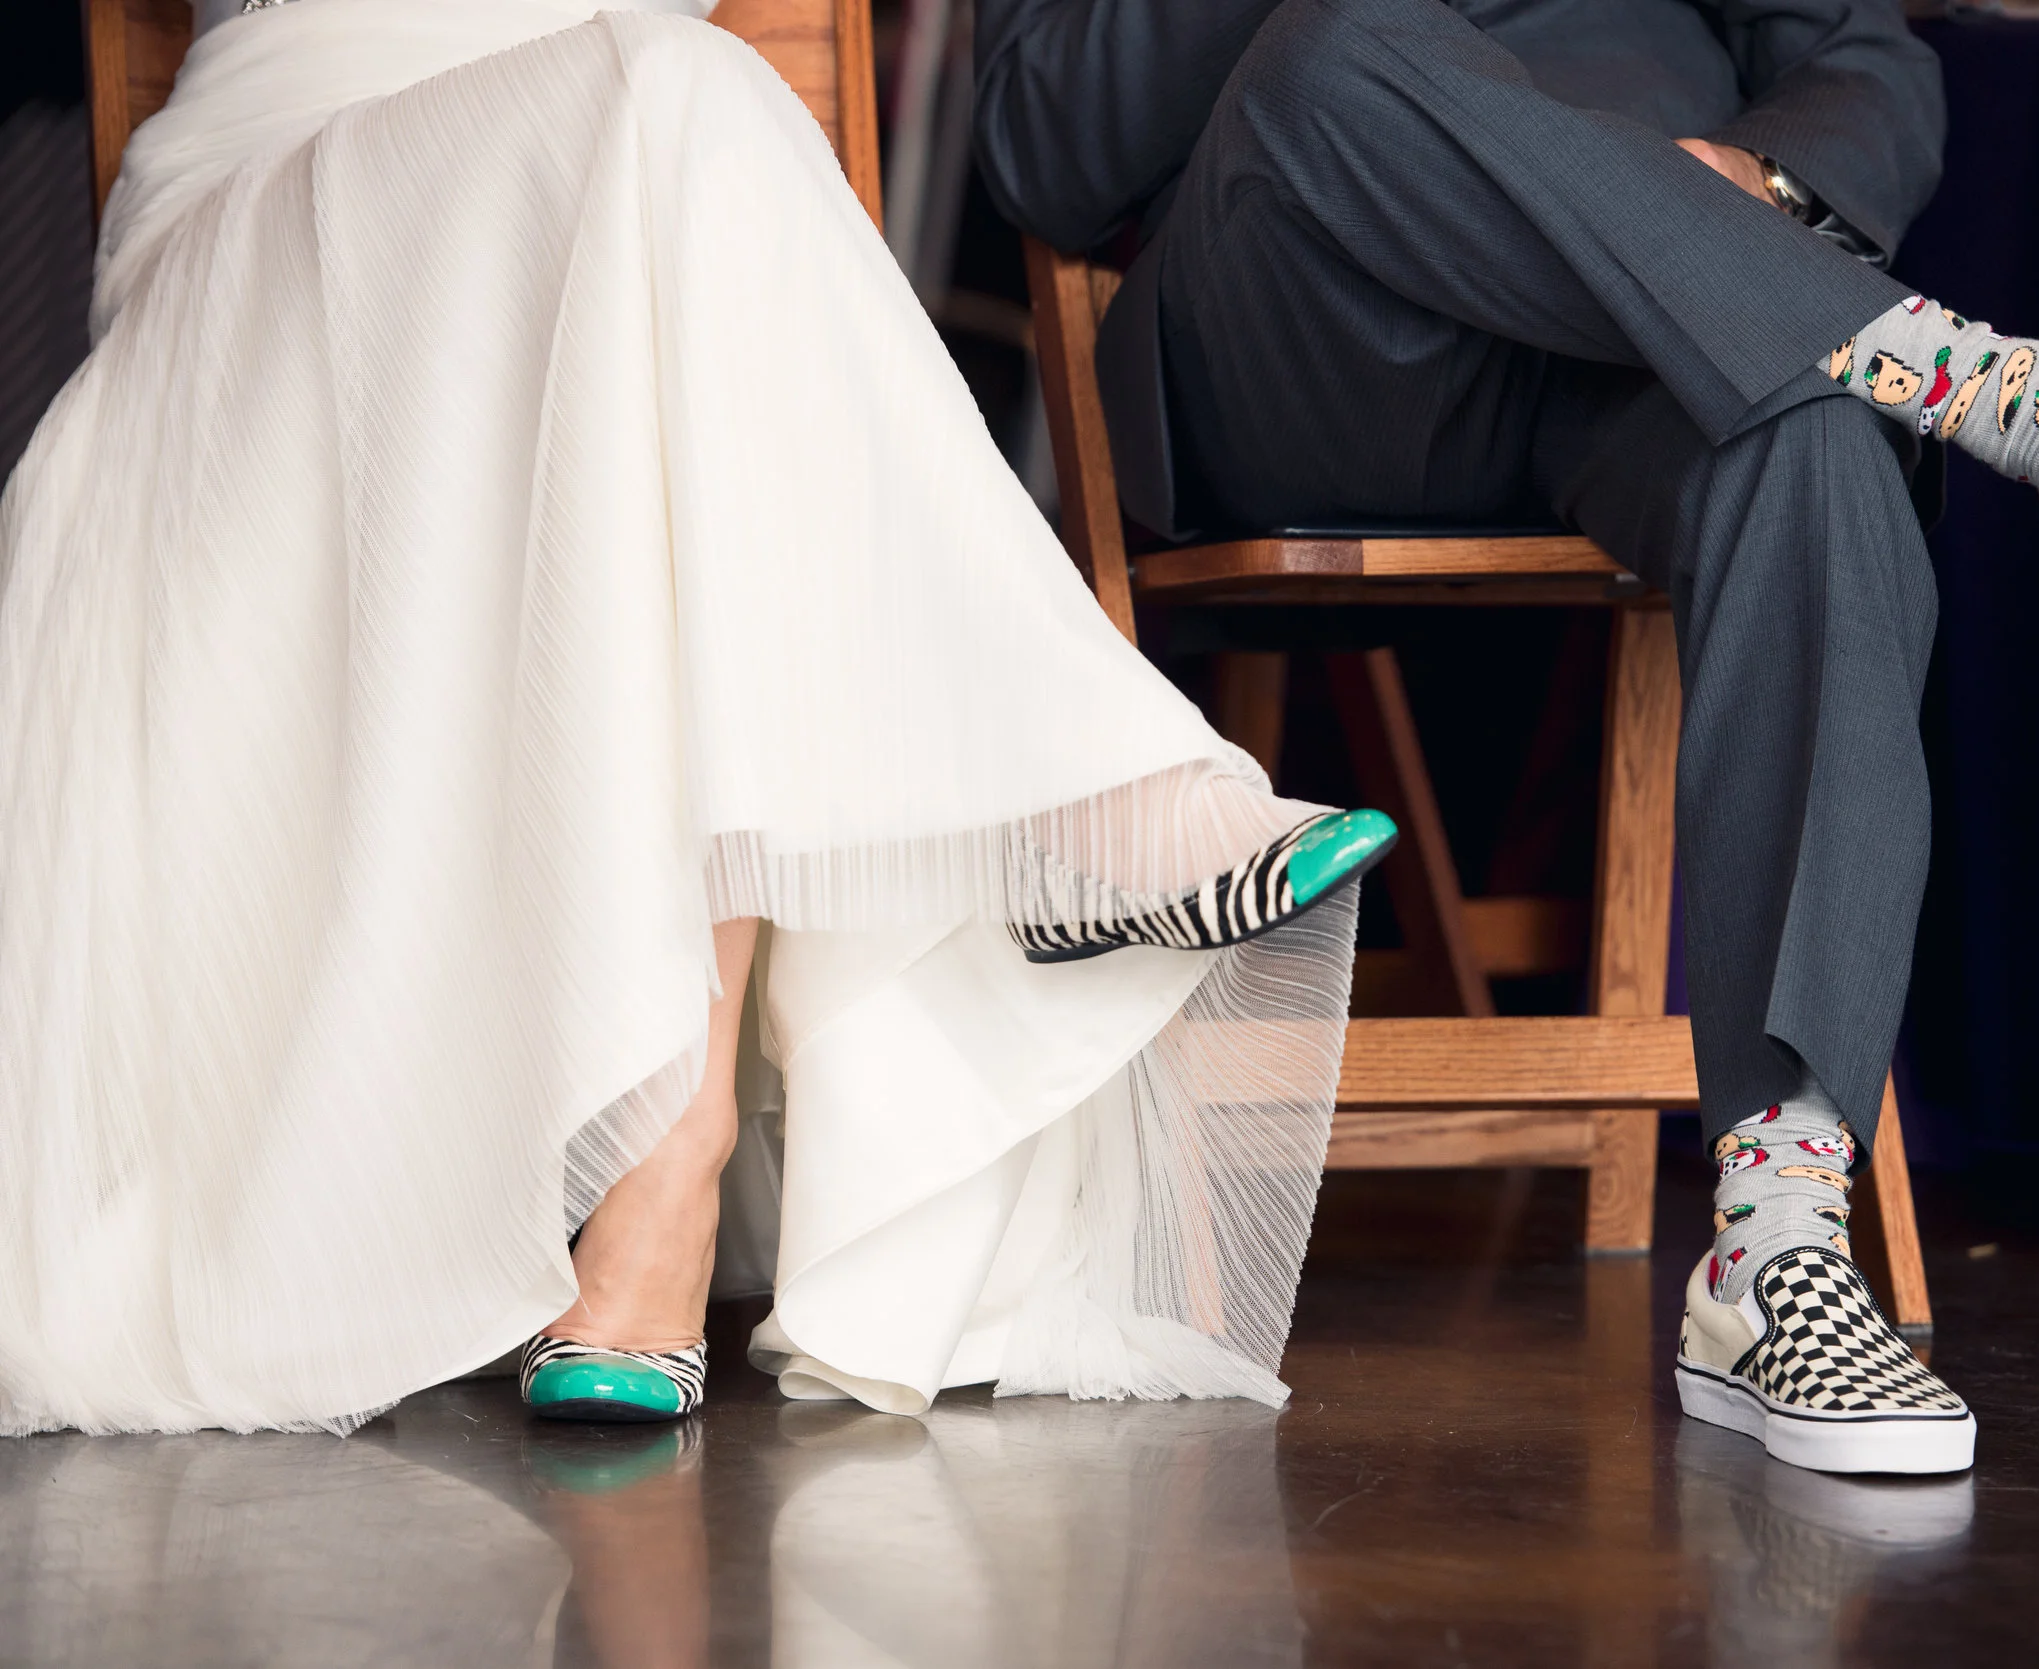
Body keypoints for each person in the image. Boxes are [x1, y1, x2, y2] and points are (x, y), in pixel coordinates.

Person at [0, 0, 1398, 1437]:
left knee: (678, 132)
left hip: (623, 200)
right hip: (283, 206)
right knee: (679, 100)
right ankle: (1064, 814)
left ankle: (672, 1147)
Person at [973, 0, 2039, 1476]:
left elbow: (1869, 62)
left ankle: (1776, 1248)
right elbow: (1040, 147)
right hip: (1320, 330)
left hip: (1643, 329)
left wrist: (1759, 185)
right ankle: (2016, 403)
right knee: (1330, 50)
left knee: (1814, 448)